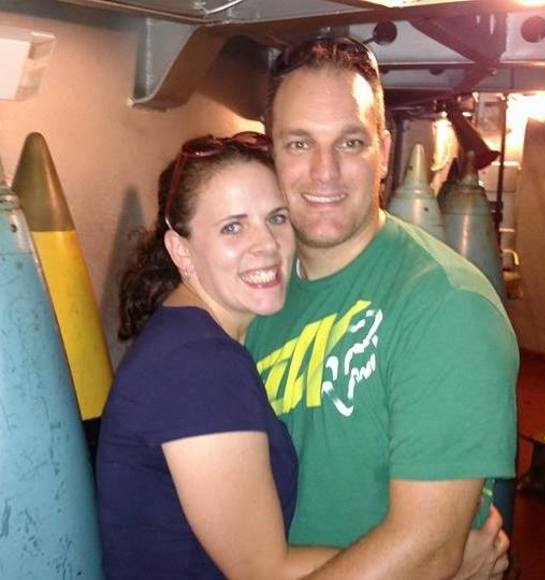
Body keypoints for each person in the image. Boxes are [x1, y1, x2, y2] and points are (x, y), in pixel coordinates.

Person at [245, 37, 518, 579]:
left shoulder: (446, 306)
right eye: (299, 143)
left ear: (384, 152)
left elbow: (426, 550)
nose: (324, 172)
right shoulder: (256, 288)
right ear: (270, 150)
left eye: (350, 143)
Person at [96, 134, 339, 579]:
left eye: (276, 218)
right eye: (233, 227)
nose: (267, 244)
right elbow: (266, 572)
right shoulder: (198, 365)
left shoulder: (188, 336)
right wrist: (434, 559)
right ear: (181, 250)